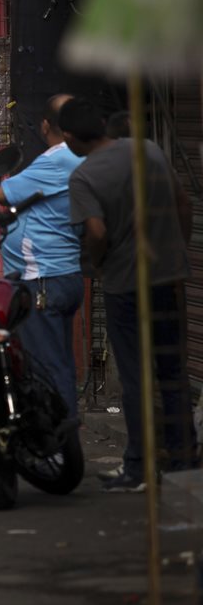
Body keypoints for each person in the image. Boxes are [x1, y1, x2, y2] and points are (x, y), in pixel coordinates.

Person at [64, 104, 198, 492]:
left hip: (125, 283)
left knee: (137, 377)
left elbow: (97, 231)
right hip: (169, 278)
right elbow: (184, 204)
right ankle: (184, 461)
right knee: (174, 373)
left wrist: (99, 262)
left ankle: (139, 466)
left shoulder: (85, 176)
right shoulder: (148, 150)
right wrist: (177, 250)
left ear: (71, 138)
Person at [0, 95, 85, 419]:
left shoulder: (58, 159)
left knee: (48, 366)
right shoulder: (83, 158)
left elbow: (4, 194)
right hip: (65, 272)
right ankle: (63, 436)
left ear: (46, 126)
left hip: (43, 277)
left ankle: (59, 443)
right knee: (59, 361)